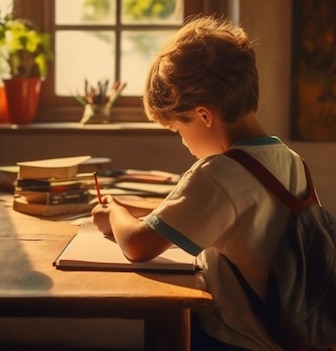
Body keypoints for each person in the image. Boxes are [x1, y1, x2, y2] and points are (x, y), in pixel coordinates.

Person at [91, 15, 309, 351]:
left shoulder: (218, 173)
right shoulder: (290, 160)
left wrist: (115, 213)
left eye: (178, 130)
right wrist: (137, 208)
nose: (182, 142)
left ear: (204, 115)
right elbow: (202, 215)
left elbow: (137, 246)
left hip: (238, 340)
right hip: (288, 333)